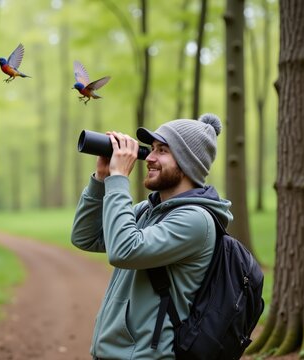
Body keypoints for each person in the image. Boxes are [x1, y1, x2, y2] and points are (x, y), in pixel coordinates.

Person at [71, 113, 233, 360]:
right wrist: (102, 179)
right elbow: (86, 237)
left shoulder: (196, 220)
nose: (150, 158)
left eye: (163, 150)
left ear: (188, 162)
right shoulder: (148, 210)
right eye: (152, 148)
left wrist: (118, 179)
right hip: (116, 352)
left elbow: (124, 251)